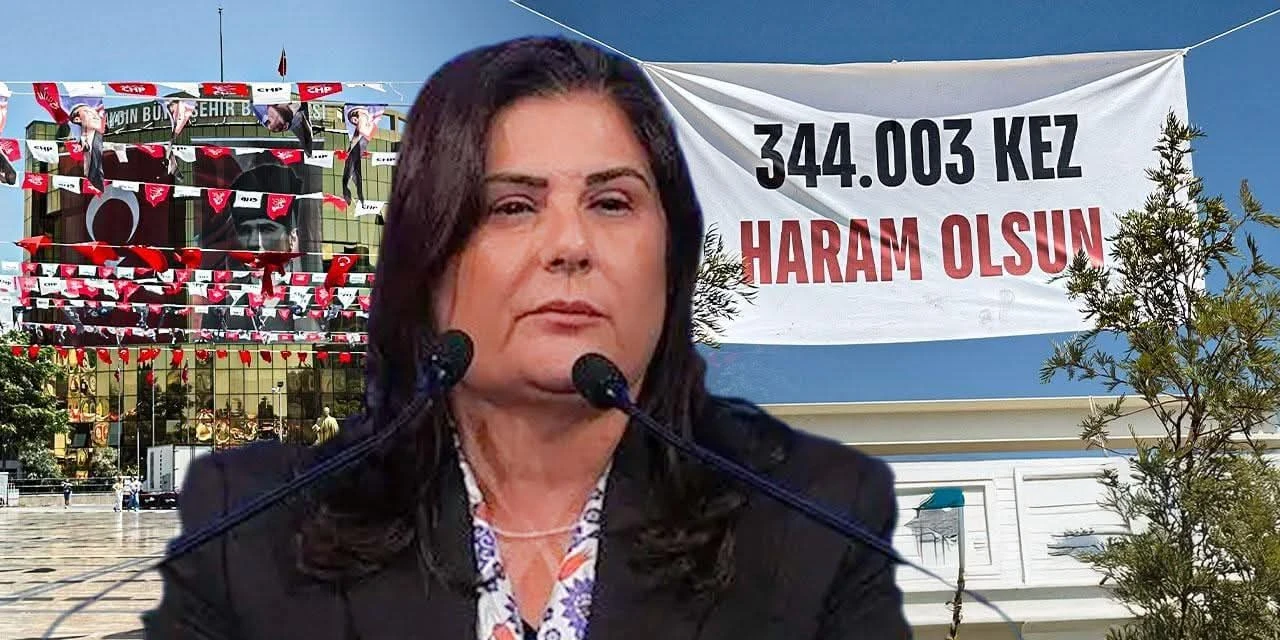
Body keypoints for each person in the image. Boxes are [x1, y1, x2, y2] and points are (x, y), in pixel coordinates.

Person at [144, 36, 909, 639]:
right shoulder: (251, 534)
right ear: (427, 260)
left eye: (612, 203)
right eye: (512, 207)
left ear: (671, 260)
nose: (569, 245)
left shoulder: (817, 523)